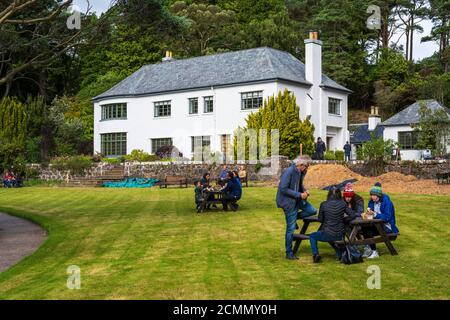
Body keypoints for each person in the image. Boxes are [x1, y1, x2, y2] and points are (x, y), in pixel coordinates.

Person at [276, 155, 317, 260]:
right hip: (288, 202)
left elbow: (298, 185)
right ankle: (289, 253)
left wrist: (304, 191)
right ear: (301, 165)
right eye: (307, 166)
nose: (307, 168)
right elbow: (283, 189)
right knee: (290, 229)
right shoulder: (289, 171)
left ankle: (294, 219)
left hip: (297, 199)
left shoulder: (300, 172)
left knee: (312, 211)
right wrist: (299, 195)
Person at [309, 186, 349, 263]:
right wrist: (343, 219)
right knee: (331, 238)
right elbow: (352, 215)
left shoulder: (323, 204)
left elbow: (320, 219)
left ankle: (316, 254)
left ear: (329, 194)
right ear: (339, 194)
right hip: (339, 234)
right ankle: (340, 254)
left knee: (312, 236)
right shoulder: (343, 204)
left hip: (328, 232)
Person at [362, 183, 399, 259]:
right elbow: (371, 213)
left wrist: (375, 214)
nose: (372, 197)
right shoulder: (371, 202)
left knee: (369, 229)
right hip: (377, 225)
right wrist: (367, 214)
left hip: (388, 226)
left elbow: (387, 217)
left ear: (378, 195)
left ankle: (373, 251)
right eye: (371, 195)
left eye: (374, 195)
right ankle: (372, 250)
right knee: (365, 229)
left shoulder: (387, 202)